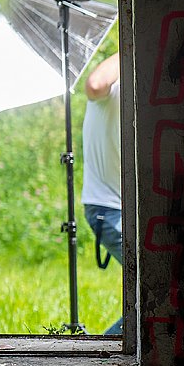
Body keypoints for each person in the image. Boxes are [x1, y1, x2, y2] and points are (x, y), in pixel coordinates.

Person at [80, 52, 123, 335]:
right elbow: (94, 83)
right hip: (107, 208)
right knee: (161, 294)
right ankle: (103, 352)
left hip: (119, 207)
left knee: (159, 293)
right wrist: (125, 49)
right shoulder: (112, 87)